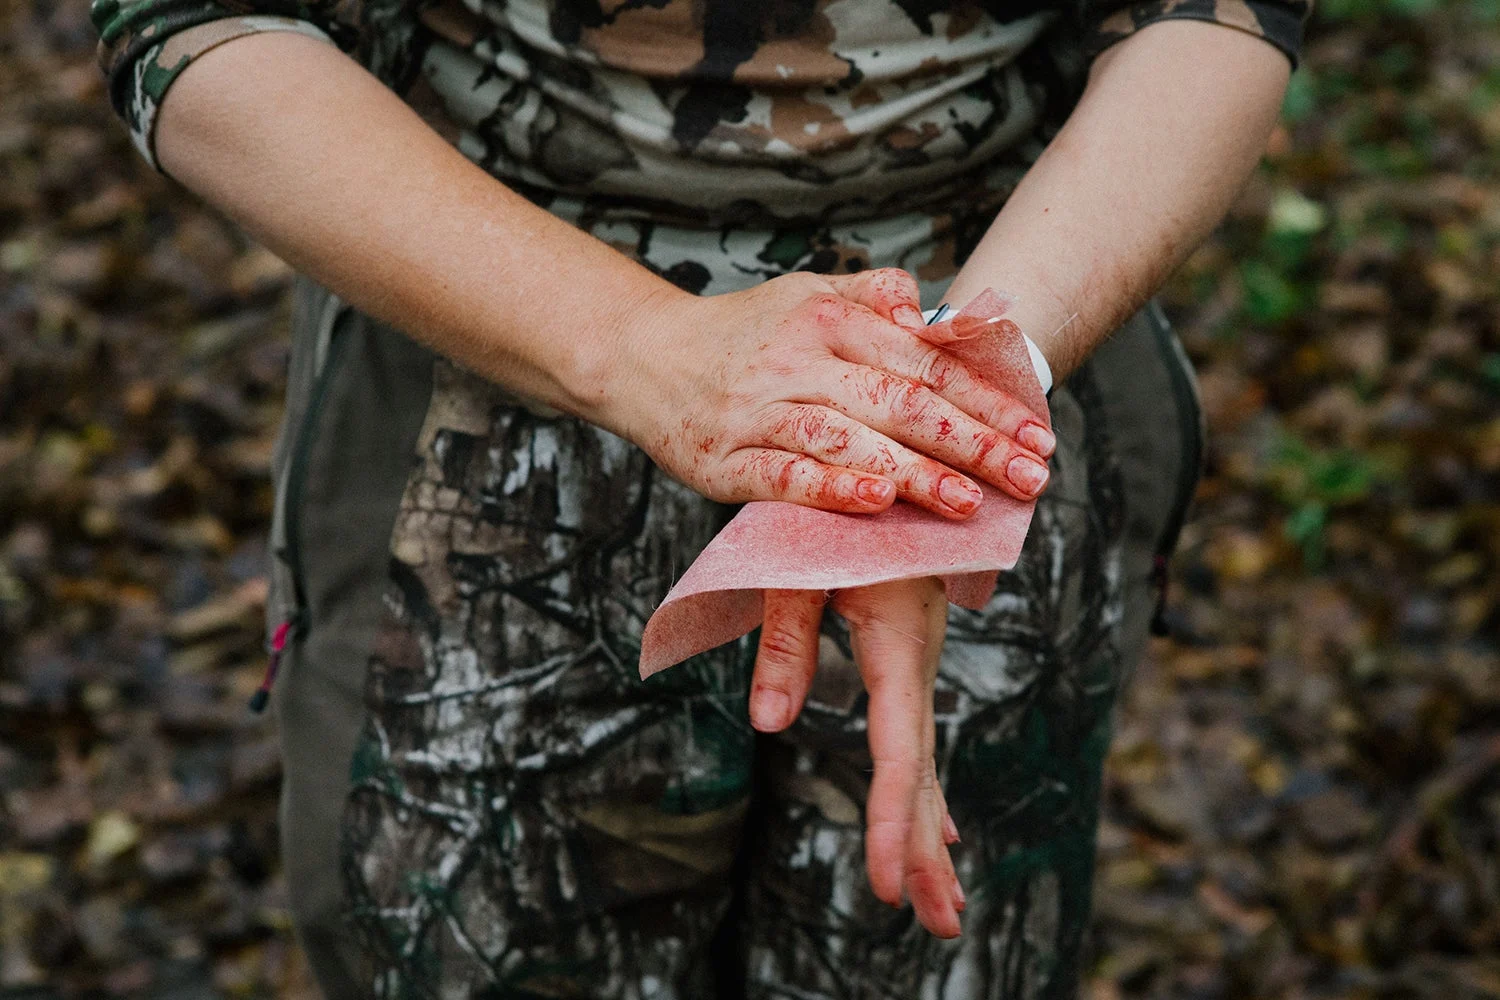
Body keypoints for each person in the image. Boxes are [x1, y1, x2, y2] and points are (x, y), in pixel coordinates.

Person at [91, 0, 1306, 994]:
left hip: (1017, 299)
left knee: (937, 952)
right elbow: (195, 25)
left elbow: (1211, 16)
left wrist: (956, 397)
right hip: (482, 335)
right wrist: (639, 349)